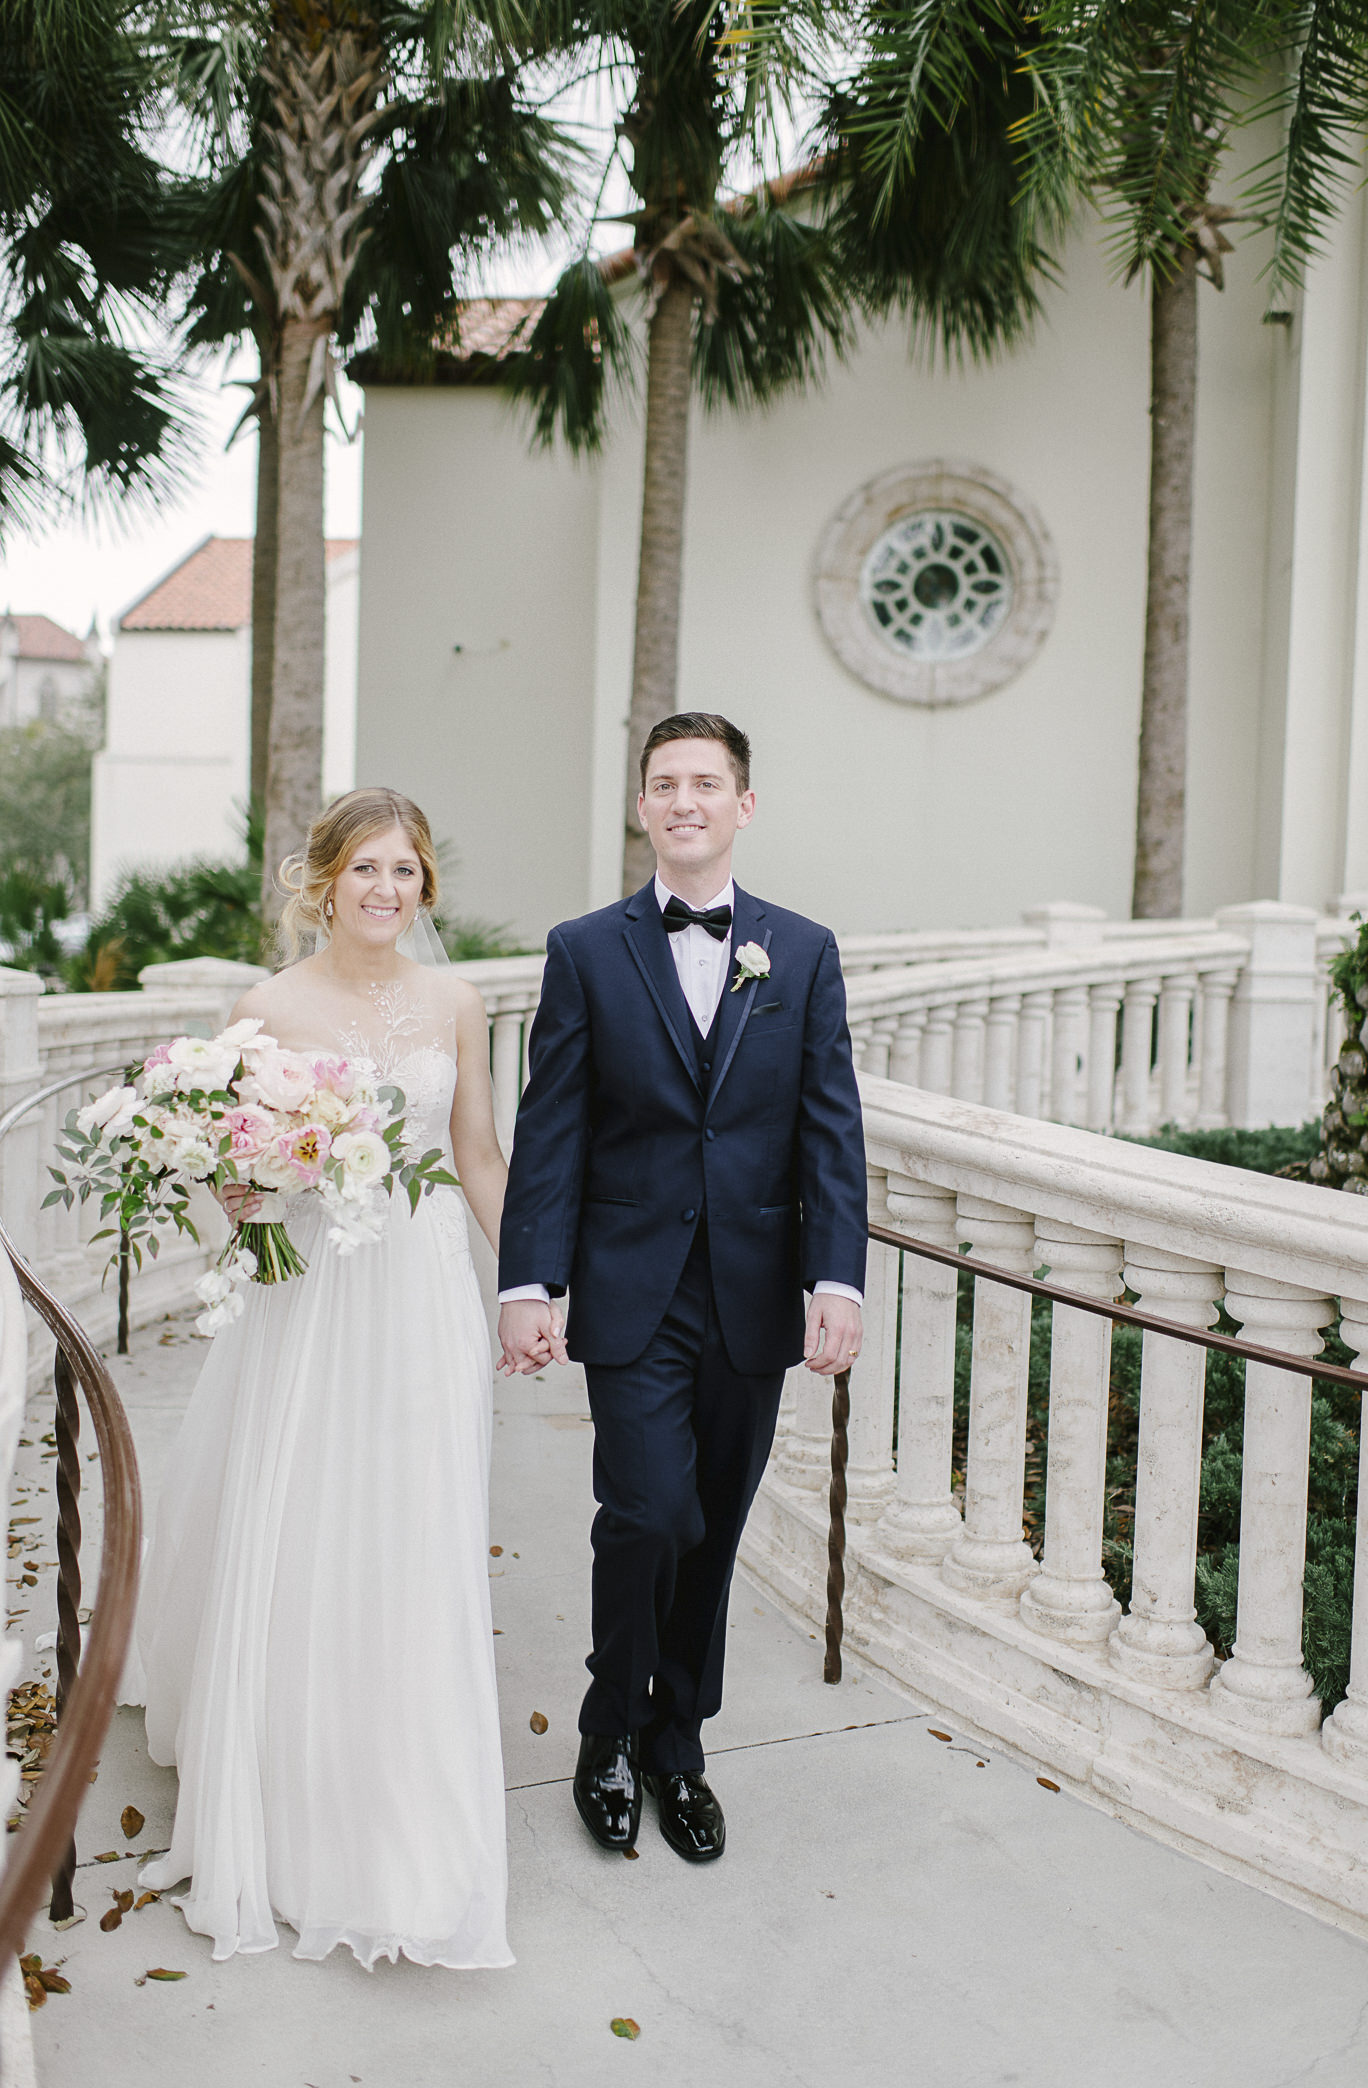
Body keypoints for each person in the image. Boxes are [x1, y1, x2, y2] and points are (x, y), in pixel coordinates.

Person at [134, 788, 514, 1969]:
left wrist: (530, 1292)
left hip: (421, 1293)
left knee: (412, 1526)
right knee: (304, 1520)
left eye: (406, 871)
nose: (386, 890)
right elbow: (227, 1164)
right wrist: (237, 1192)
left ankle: (400, 1789)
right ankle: (287, 1787)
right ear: (325, 881)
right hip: (310, 1301)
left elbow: (478, 1154)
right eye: (365, 870)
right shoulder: (266, 1008)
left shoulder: (459, 1002)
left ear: (425, 886)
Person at [497, 713, 867, 1863]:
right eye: (666, 784)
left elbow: (829, 1129)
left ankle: (678, 1746)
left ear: (744, 804)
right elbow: (551, 1129)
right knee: (648, 1512)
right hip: (632, 1287)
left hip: (755, 1293)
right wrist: (528, 1282)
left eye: (708, 783)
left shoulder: (800, 952)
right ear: (643, 807)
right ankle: (609, 1730)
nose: (687, 801)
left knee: (714, 1529)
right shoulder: (584, 949)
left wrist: (836, 1276)